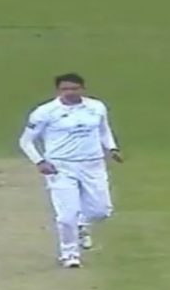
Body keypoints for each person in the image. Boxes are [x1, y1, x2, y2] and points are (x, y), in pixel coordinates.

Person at [18, 73, 123, 268]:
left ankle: (82, 225)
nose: (70, 92)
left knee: (101, 211)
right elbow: (26, 141)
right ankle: (69, 254)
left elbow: (103, 130)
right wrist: (40, 161)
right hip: (60, 167)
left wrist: (112, 148)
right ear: (58, 90)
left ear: (82, 89)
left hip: (93, 164)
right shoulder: (45, 112)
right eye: (65, 89)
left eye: (74, 89)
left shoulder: (96, 107)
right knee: (67, 216)